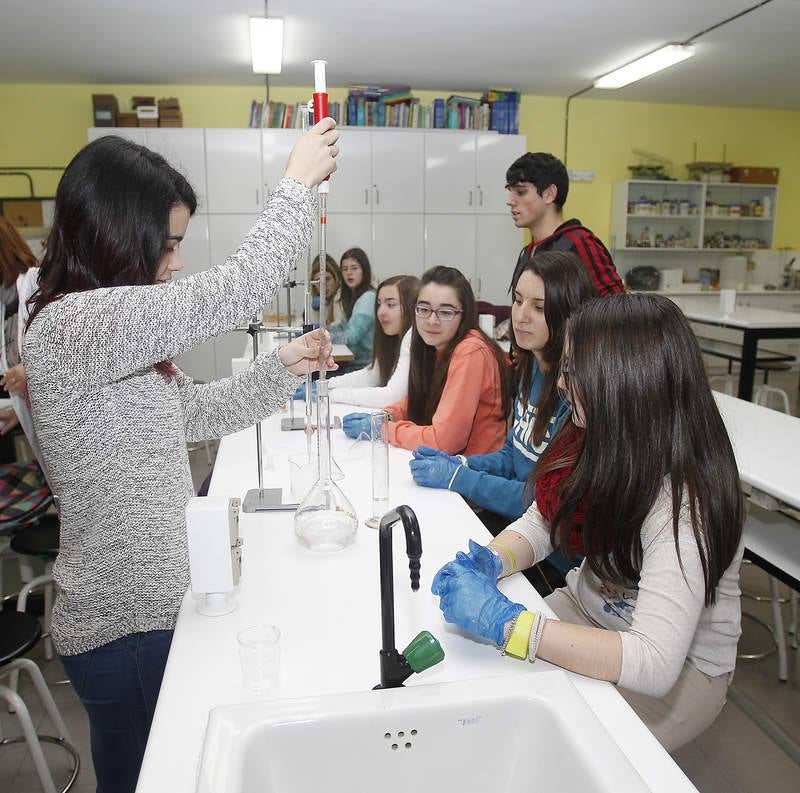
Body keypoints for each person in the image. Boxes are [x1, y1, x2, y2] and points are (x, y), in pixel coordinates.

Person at [23, 119, 339, 793]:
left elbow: (197, 412)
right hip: (124, 626)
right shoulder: (72, 327)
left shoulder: (110, 338)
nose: (176, 262)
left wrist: (282, 367)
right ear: (114, 233)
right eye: (166, 244)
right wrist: (297, 185)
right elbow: (235, 291)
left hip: (158, 612)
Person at [431, 293, 744, 752]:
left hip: (681, 668)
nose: (560, 383)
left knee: (554, 750)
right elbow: (543, 520)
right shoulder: (599, 429)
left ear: (625, 384)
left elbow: (653, 661)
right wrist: (493, 560)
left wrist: (512, 625)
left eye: (575, 373)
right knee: (472, 691)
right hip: (589, 609)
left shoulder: (684, 502)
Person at [409, 252, 596, 592]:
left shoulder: (578, 393)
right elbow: (512, 456)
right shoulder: (529, 368)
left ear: (571, 314)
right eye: (518, 300)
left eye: (539, 308)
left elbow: (541, 502)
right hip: (514, 529)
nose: (521, 316)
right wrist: (463, 462)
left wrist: (460, 477)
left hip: (553, 562)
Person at [343, 266, 511, 455]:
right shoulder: (436, 345)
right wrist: (386, 415)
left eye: (445, 312)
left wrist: (383, 429)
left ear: (464, 315)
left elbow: (444, 441)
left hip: (472, 472)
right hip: (449, 467)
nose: (431, 320)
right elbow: (420, 398)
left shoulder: (470, 351)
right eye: (423, 309)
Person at [506, 152, 624, 297]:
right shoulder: (527, 252)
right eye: (510, 191)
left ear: (549, 194)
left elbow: (618, 309)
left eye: (520, 192)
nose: (510, 200)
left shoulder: (580, 243)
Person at [297, 274, 420, 407]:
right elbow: (372, 376)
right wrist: (324, 385)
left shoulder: (412, 336)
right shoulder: (392, 338)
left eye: (390, 304)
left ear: (412, 307)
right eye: (379, 304)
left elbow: (392, 396)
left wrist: (331, 394)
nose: (381, 312)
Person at [0, 217, 43, 466]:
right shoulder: (5, 300)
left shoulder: (35, 284)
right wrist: (17, 412)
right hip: (35, 418)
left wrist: (31, 371)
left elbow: (67, 350)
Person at [329, 247, 376, 371]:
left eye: (354, 268)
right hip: (355, 360)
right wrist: (318, 329)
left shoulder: (368, 298)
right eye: (345, 269)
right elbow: (344, 327)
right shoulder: (355, 297)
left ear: (364, 271)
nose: (349, 273)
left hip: (363, 364)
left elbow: (352, 337)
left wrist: (323, 337)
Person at [309, 253, 344, 326]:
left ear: (336, 279)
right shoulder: (318, 301)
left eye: (327, 279)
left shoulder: (340, 298)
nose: (323, 285)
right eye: (318, 281)